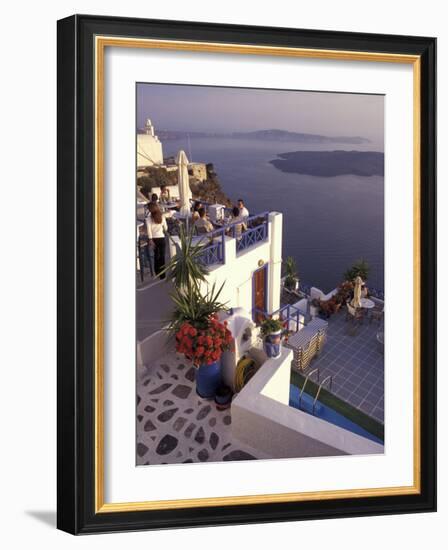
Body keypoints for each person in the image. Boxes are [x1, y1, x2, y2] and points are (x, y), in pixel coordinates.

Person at [145, 206, 168, 279]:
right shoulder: (162, 217)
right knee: (162, 256)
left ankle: (157, 272)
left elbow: (149, 230)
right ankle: (163, 275)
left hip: (154, 239)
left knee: (156, 255)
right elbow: (166, 228)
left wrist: (150, 239)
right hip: (161, 238)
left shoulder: (148, 219)